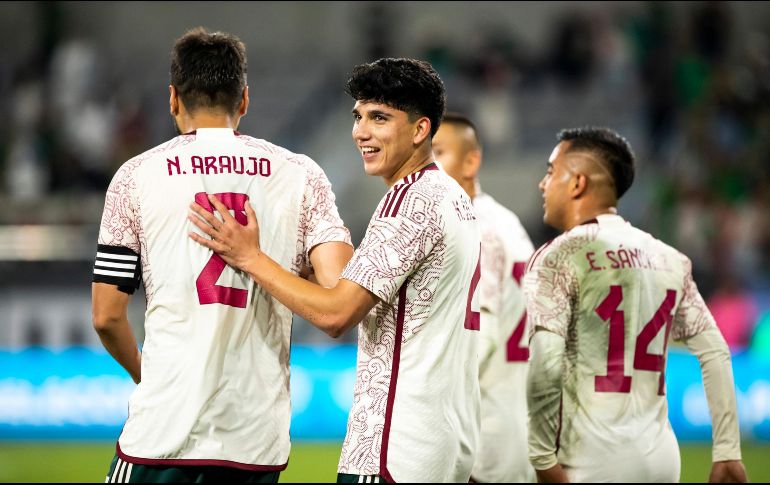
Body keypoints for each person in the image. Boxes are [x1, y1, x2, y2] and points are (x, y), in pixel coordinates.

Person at [189, 58, 482, 483]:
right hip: (444, 437)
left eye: (379, 118)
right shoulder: (452, 197)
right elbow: (369, 289)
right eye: (358, 117)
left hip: (395, 446)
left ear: (420, 130)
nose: (361, 132)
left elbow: (335, 314)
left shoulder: (409, 201)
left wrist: (250, 256)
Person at [91, 27, 353, 483]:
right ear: (244, 100)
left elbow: (106, 316)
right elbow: (338, 294)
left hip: (162, 432)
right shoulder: (300, 175)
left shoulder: (135, 177)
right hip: (255, 440)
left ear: (173, 99)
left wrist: (146, 374)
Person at [523, 126, 748, 483]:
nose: (542, 184)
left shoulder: (559, 257)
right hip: (661, 459)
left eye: (551, 172)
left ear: (578, 183)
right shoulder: (670, 258)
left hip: (589, 460)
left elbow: (546, 364)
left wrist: (541, 458)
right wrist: (726, 451)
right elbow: (715, 352)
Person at [432, 113, 535, 483]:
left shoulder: (475, 226)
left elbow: (483, 333)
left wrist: (426, 388)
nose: (427, 165)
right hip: (513, 423)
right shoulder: (505, 221)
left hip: (482, 433)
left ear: (471, 161)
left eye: (438, 152)